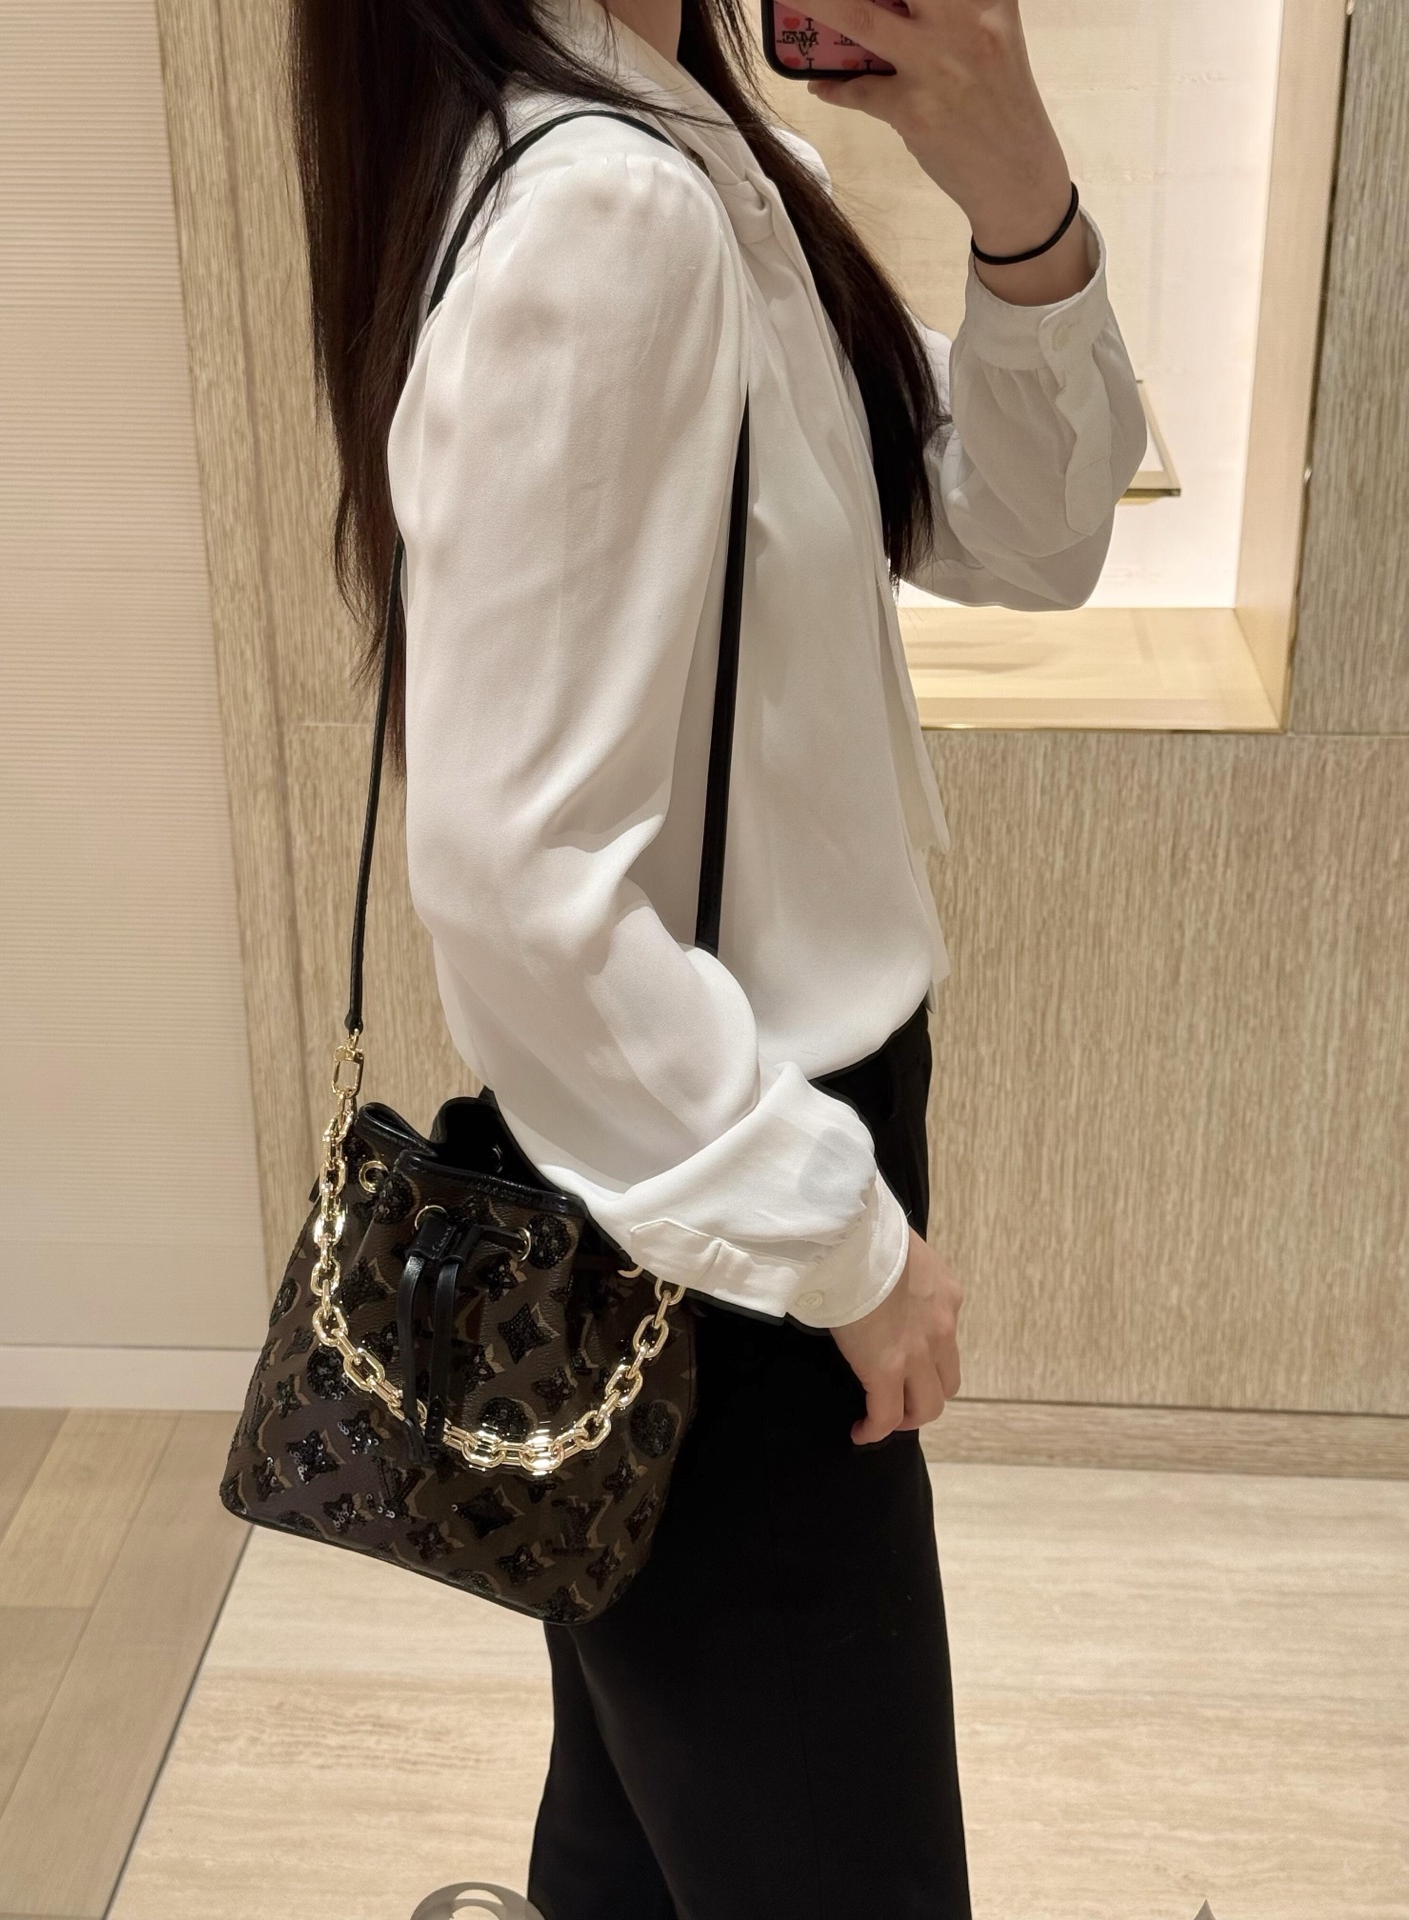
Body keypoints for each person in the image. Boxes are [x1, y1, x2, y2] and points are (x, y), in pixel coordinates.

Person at [289, 0, 1146, 1912]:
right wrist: (840, 1241)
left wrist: (1010, 177)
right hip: (733, 1199)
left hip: (701, 1159)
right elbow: (520, 882)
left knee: (642, 1816)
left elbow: (1025, 533)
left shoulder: (700, 160)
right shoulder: (612, 212)